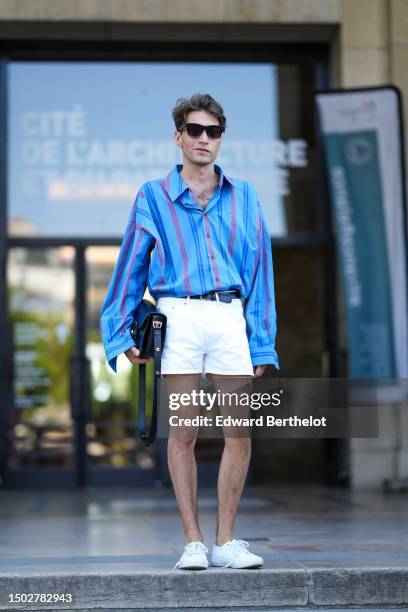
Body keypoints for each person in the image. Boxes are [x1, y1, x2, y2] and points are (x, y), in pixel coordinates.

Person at [100, 93, 279, 570]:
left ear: (221, 139)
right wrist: (121, 333)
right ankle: (193, 542)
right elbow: (130, 269)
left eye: (213, 132)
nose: (204, 139)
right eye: (195, 130)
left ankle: (226, 541)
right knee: (183, 434)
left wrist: (261, 339)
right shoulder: (152, 196)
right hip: (177, 316)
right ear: (178, 136)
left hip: (228, 316)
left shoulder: (246, 196)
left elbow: (260, 271)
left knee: (239, 433)